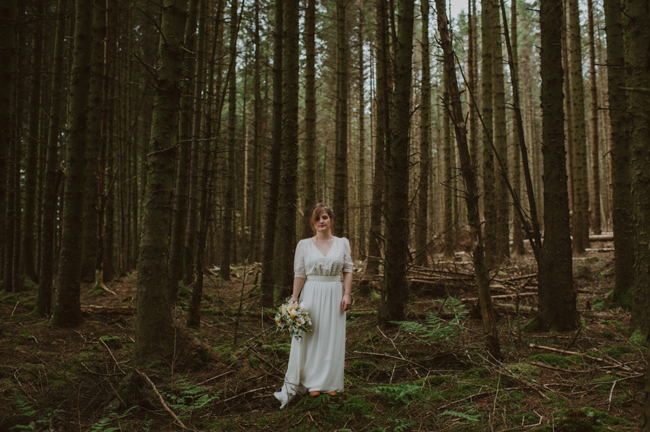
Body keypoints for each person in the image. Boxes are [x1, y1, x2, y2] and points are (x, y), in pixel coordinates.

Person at [273, 203, 353, 409]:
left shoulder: (342, 243)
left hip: (334, 292)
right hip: (312, 293)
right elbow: (299, 273)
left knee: (332, 337)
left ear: (331, 220)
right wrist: (294, 298)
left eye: (325, 217)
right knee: (311, 337)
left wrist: (347, 294)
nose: (321, 222)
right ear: (313, 222)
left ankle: (331, 383)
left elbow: (348, 270)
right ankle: (312, 383)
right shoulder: (304, 245)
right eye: (318, 219)